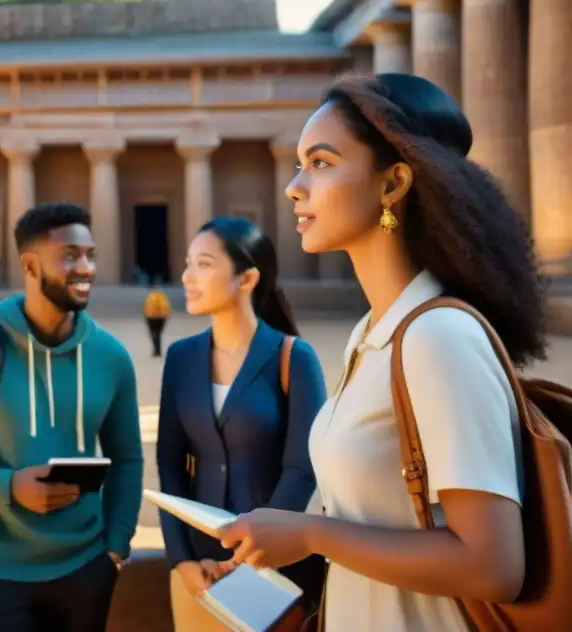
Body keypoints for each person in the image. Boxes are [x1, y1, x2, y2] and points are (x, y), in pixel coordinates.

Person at [215, 74, 540, 631]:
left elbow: (494, 566)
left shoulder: (439, 337)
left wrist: (312, 534)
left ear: (392, 185)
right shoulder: (374, 330)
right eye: (300, 164)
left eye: (320, 163)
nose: (295, 186)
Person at [0, 202, 144, 632]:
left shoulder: (111, 357)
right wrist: (11, 486)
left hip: (88, 568)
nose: (85, 267)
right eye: (69, 255)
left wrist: (116, 546)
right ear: (30, 265)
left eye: (90, 254)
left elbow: (128, 459)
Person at [157, 217, 327, 630]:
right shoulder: (181, 358)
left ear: (247, 278)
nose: (187, 275)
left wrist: (250, 554)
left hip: (273, 570)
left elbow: (302, 469)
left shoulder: (294, 356)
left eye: (204, 264)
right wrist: (182, 560)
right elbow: (170, 465)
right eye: (187, 263)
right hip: (200, 573)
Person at [143, 283, 171, 357]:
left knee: (153, 334)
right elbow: (166, 307)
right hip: (161, 317)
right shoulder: (162, 296)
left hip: (151, 317)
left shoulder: (150, 296)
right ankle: (158, 350)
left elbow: (146, 307)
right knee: (158, 334)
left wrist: (146, 315)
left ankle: (156, 350)